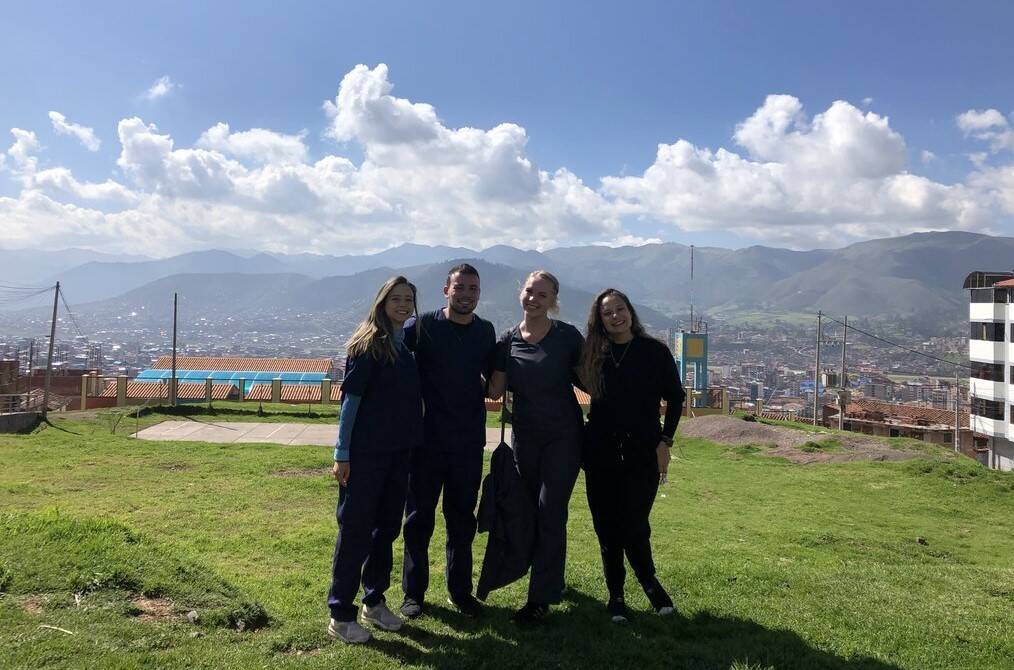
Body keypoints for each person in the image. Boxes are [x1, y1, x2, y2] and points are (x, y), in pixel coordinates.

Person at [578, 288, 686, 623]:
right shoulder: (594, 353)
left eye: (619, 309)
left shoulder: (653, 351)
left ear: (630, 312)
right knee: (606, 526)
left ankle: (649, 582)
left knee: (634, 523)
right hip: (600, 452)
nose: (615, 316)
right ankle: (616, 596)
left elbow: (675, 397)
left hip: (642, 452)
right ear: (600, 320)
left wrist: (665, 440)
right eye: (607, 313)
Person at [326, 276, 423, 644]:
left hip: (399, 455)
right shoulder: (368, 345)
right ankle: (340, 613)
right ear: (382, 302)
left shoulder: (407, 344)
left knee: (386, 530)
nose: (402, 304)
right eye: (395, 298)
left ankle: (374, 600)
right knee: (355, 532)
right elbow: (350, 402)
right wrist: (342, 453)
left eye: (408, 299)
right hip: (365, 457)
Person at [400, 263, 497, 619]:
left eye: (473, 289)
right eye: (460, 288)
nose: (467, 294)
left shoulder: (485, 332)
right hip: (424, 442)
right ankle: (414, 594)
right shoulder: (421, 326)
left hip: (468, 442)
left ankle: (461, 592)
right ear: (446, 290)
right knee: (418, 520)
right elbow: (391, 355)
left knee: (461, 521)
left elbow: (496, 378)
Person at [488, 270, 585, 623]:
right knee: (530, 511)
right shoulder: (508, 340)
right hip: (525, 439)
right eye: (530, 292)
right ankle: (551, 579)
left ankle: (539, 598)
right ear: (520, 294)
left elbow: (592, 379)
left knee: (551, 510)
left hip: (564, 437)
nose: (534, 299)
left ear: (553, 301)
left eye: (542, 295)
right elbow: (495, 391)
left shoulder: (567, 337)